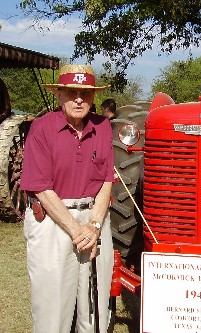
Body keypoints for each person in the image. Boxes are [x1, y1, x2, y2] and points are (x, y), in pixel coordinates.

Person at [20, 64, 115, 333]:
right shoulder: (41, 129)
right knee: (53, 309)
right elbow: (41, 188)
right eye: (71, 92)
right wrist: (78, 232)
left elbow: (107, 179)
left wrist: (94, 227)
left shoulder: (103, 127)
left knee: (95, 308)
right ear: (59, 95)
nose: (78, 99)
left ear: (93, 97)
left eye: (85, 94)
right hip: (53, 221)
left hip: (94, 221)